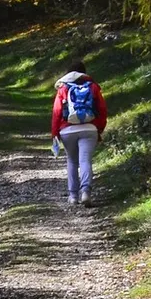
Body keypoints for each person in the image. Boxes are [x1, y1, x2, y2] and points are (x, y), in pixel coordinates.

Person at [50, 59, 107, 206]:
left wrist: (55, 133)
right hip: (89, 129)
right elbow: (102, 110)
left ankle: (73, 196)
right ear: (84, 72)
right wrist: (99, 128)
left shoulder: (62, 88)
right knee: (85, 160)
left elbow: (57, 112)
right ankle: (86, 192)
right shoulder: (93, 87)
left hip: (67, 130)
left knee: (72, 161)